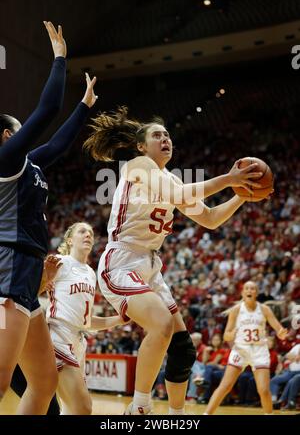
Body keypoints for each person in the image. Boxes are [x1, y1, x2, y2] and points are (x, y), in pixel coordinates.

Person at [83, 108, 265, 415]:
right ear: (141, 146)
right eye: (157, 135)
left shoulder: (170, 179)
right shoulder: (138, 166)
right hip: (122, 261)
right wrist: (229, 179)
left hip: (150, 266)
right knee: (162, 323)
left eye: (167, 135)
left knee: (183, 349)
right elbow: (179, 196)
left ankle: (176, 416)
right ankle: (139, 407)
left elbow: (209, 218)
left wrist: (240, 197)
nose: (165, 139)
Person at [0, 21, 98, 415]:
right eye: (21, 131)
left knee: (44, 381)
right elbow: (47, 110)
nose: (28, 135)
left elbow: (57, 143)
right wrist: (60, 60)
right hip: (8, 266)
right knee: (1, 377)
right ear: (8, 137)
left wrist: (85, 107)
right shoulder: (6, 160)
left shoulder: (28, 162)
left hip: (27, 270)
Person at [44, 222, 125, 415]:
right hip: (58, 336)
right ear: (70, 240)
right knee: (83, 407)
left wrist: (119, 319)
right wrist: (45, 279)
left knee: (72, 409)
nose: (88, 235)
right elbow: (34, 284)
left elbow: (86, 321)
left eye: (90, 232)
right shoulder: (59, 261)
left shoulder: (90, 273)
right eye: (82, 231)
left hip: (79, 342)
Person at [204, 281, 288, 415]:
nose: (250, 290)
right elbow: (226, 336)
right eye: (247, 288)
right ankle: (206, 414)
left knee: (263, 390)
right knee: (225, 386)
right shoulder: (236, 310)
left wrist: (282, 334)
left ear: (256, 293)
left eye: (253, 288)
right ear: (243, 292)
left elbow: (279, 329)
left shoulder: (264, 309)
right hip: (241, 350)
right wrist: (230, 334)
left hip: (259, 351)